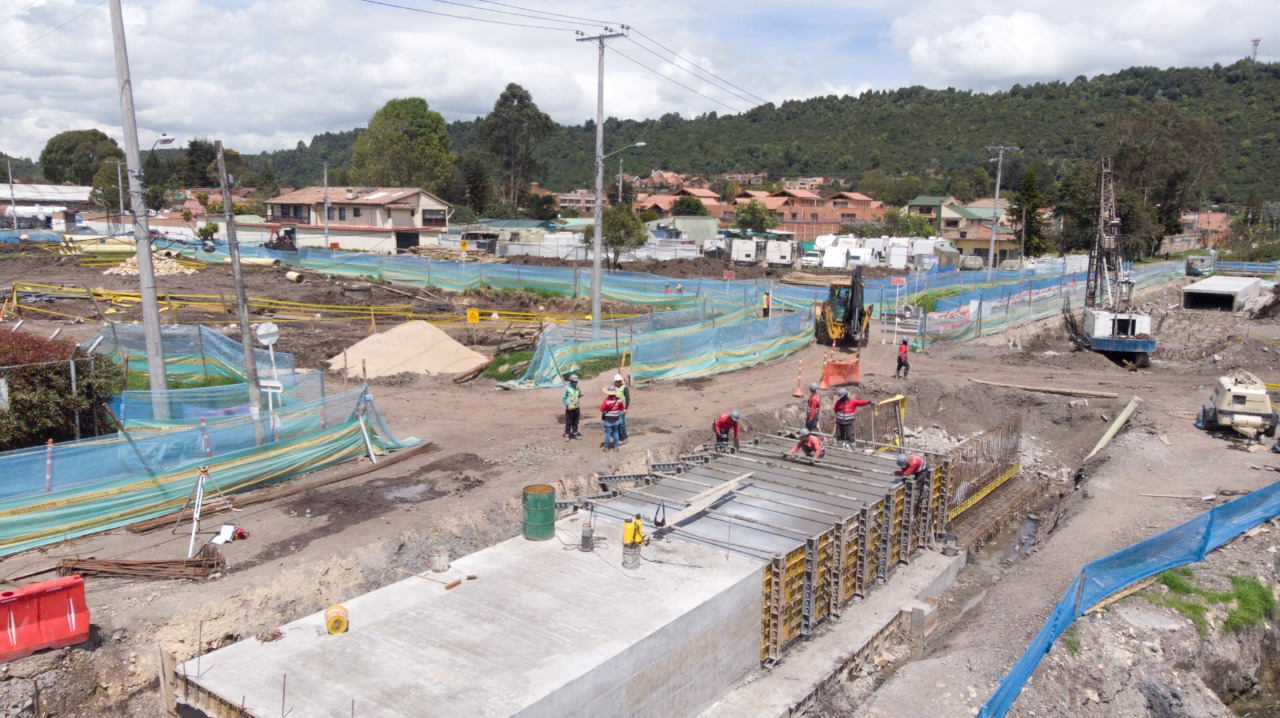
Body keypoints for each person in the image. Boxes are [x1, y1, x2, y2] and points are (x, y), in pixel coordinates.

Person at [604, 373, 631, 443]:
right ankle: (619, 436)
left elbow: (627, 398)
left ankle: (625, 437)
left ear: (621, 381)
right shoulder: (613, 388)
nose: (618, 383)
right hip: (614, 409)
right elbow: (609, 398)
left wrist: (626, 408)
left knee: (622, 423)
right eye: (616, 382)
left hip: (622, 409)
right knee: (616, 423)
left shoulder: (624, 388)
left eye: (619, 381)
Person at [562, 374, 582, 441]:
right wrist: (567, 405)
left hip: (576, 407)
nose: (576, 383)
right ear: (571, 381)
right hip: (570, 408)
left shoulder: (577, 388)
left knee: (575, 421)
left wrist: (579, 395)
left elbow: (578, 394)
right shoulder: (567, 388)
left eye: (576, 381)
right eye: (574, 381)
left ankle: (575, 433)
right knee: (569, 422)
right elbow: (564, 398)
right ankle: (567, 434)